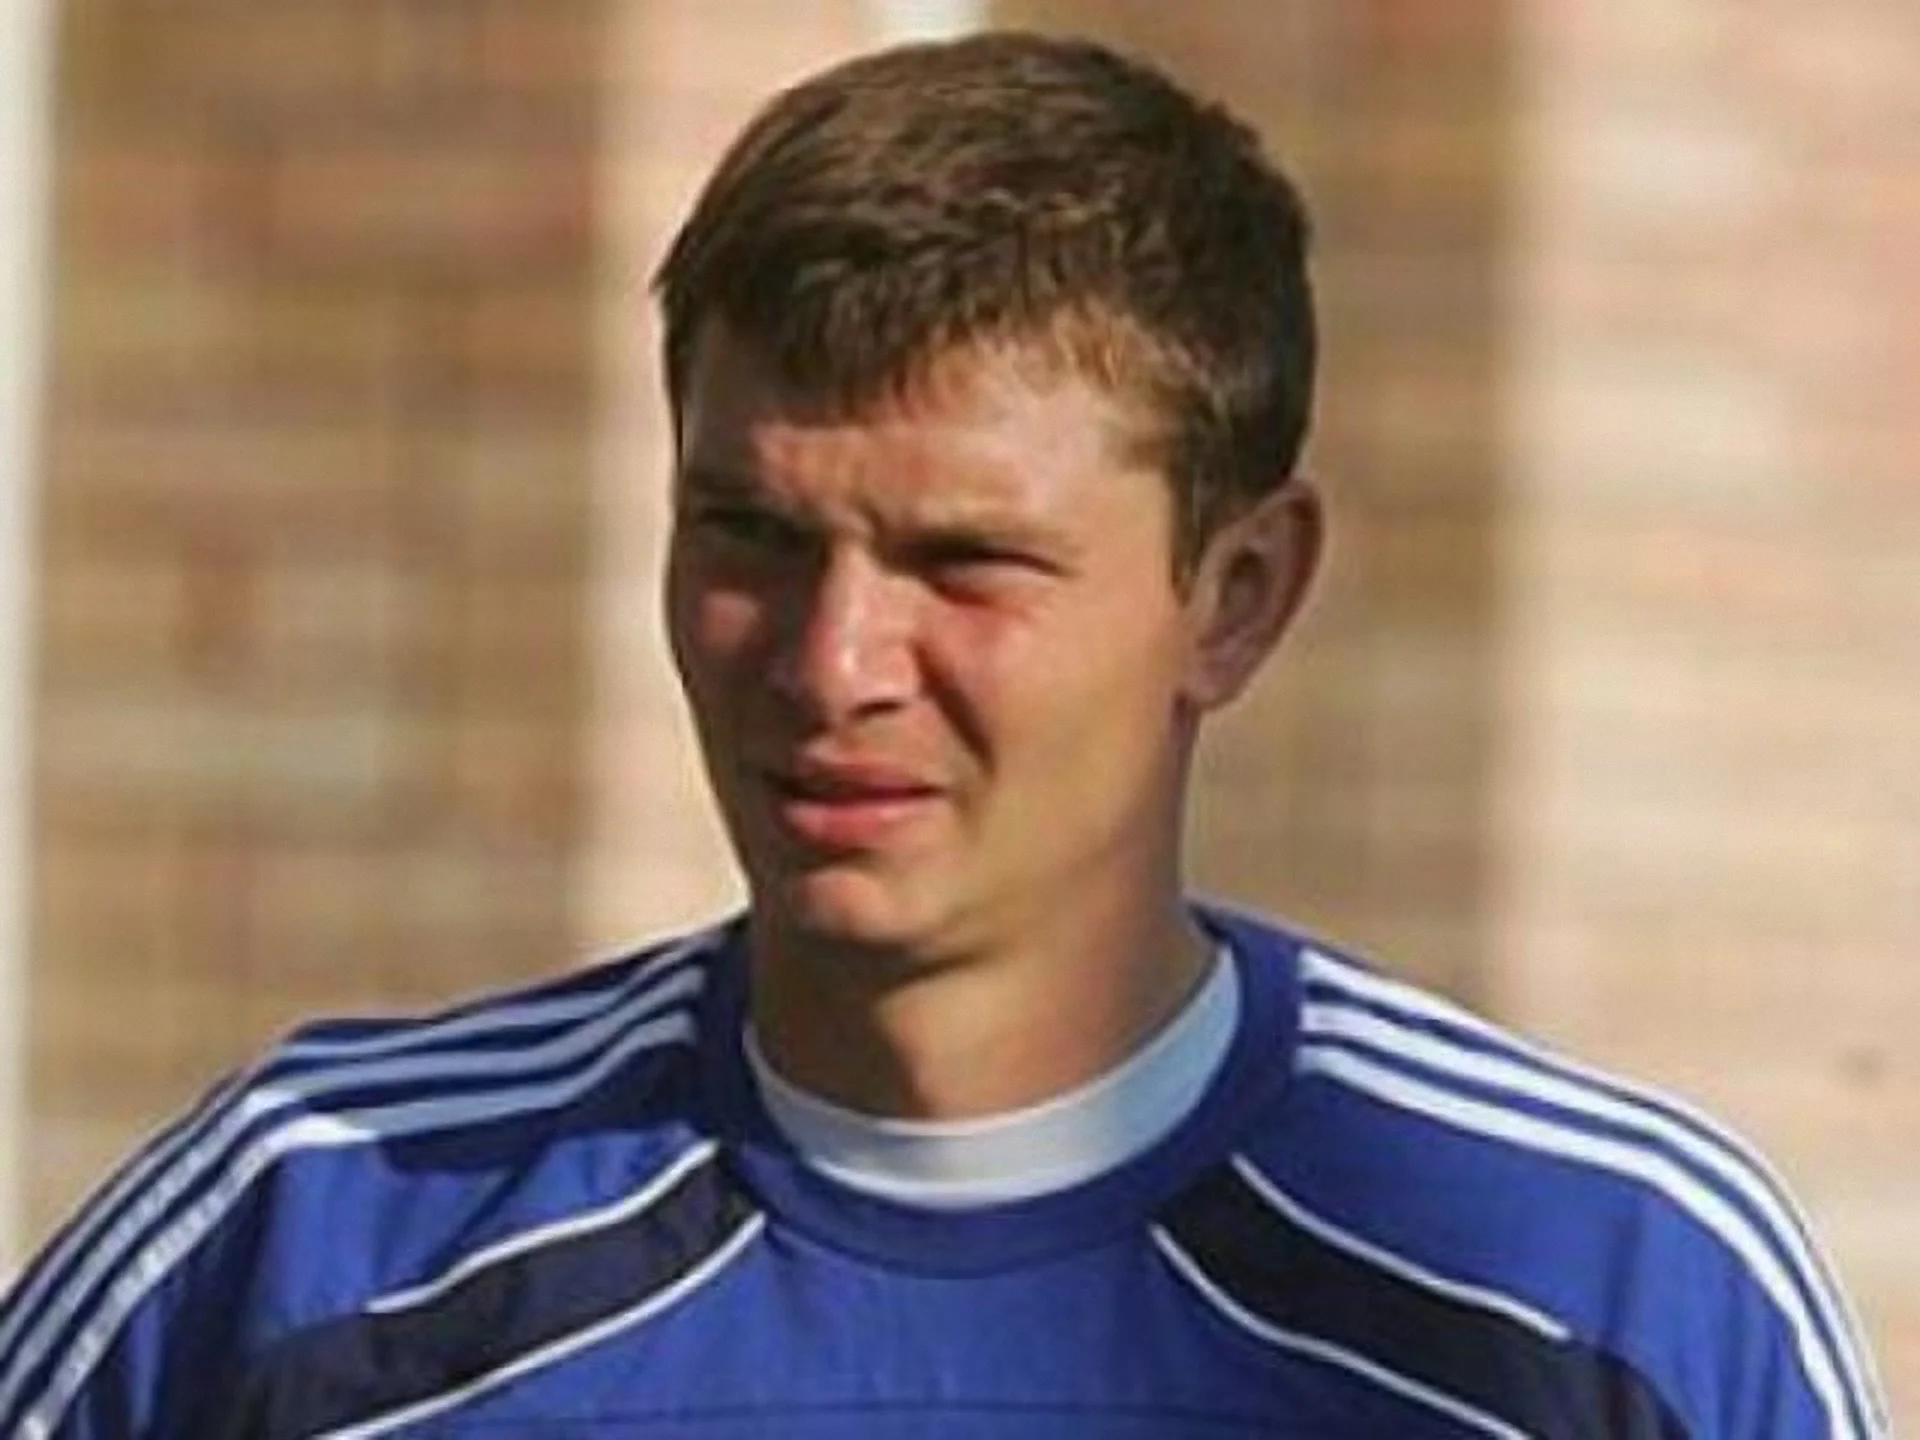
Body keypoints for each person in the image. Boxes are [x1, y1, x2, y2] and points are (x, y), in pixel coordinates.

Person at [0, 30, 1888, 1440]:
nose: (833, 664)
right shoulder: (295, 1243)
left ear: (1237, 596)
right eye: (750, 536)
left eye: (966, 562)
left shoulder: (1604, 1297)